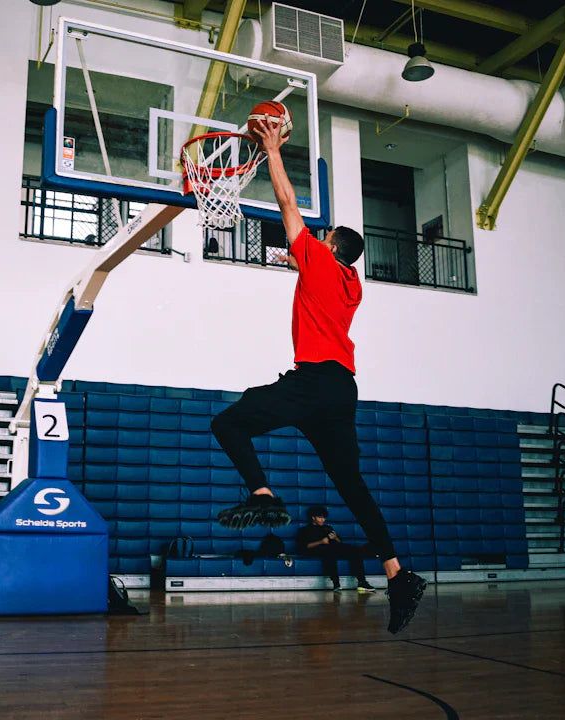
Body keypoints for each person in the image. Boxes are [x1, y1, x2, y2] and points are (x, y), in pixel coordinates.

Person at [209, 117, 427, 634]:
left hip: (314, 382)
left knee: (229, 424)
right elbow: (309, 268)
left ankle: (262, 494)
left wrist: (272, 151)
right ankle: (397, 575)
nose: (316, 237)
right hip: (342, 388)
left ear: (330, 247)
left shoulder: (322, 261)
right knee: (352, 486)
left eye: (322, 237)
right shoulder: (350, 282)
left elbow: (288, 206)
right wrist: (297, 259)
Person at [298, 505, 376, 592]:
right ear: (313, 517)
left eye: (324, 518)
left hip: (333, 548)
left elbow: (339, 542)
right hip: (317, 550)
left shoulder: (327, 528)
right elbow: (304, 546)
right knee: (329, 551)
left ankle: (362, 582)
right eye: (320, 517)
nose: (323, 520)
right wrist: (321, 542)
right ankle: (336, 583)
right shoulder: (305, 530)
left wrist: (335, 538)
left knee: (354, 550)